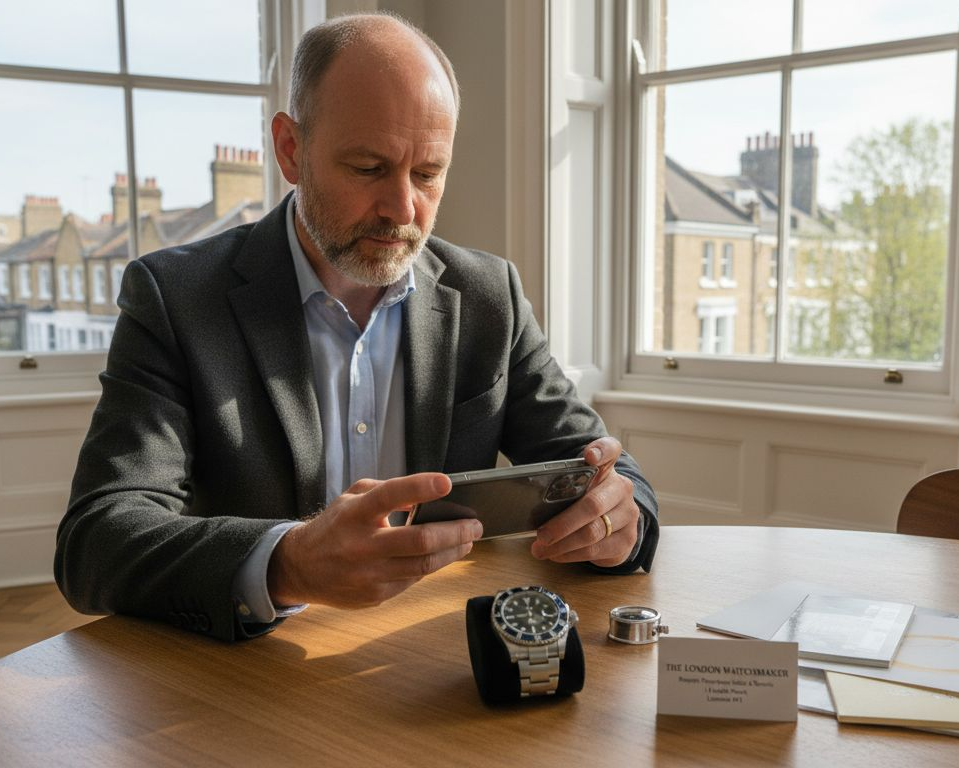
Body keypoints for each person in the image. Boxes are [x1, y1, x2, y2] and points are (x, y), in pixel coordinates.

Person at [55, 12, 659, 642]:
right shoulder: (176, 298)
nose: (404, 209)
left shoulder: (488, 296)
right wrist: (288, 563)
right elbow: (96, 539)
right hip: (245, 682)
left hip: (435, 661)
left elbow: (606, 472)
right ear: (291, 150)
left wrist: (621, 518)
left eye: (428, 174)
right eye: (369, 168)